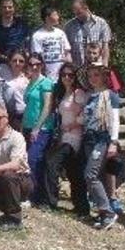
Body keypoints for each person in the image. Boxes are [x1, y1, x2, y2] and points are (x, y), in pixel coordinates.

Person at [44, 63, 89, 215]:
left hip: (75, 137)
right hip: (65, 137)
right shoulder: (64, 93)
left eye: (70, 75)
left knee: (51, 162)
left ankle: (51, 201)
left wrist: (73, 124)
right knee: (74, 172)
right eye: (64, 75)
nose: (67, 78)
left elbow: (87, 114)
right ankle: (82, 207)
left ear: (75, 77)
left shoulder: (79, 93)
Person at [81, 62, 121, 230]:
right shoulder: (91, 96)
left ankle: (108, 211)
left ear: (104, 76)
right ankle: (103, 212)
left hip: (101, 139)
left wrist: (113, 142)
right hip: (89, 138)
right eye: (90, 76)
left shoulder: (110, 95)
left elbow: (115, 120)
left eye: (96, 75)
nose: (92, 79)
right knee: (98, 175)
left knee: (90, 175)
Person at [22, 53, 55, 206]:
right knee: (34, 161)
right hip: (28, 126)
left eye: (37, 64)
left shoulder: (46, 83)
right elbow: (28, 107)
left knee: (33, 159)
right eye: (31, 64)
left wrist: (37, 127)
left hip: (42, 127)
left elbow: (47, 106)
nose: (34, 67)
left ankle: (33, 195)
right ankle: (40, 195)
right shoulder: (29, 83)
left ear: (42, 65)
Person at [64, 0, 112, 67]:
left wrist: (105, 64)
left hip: (96, 68)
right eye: (75, 13)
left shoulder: (101, 23)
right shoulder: (69, 26)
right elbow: (66, 48)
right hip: (77, 68)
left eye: (79, 13)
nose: (77, 16)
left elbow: (105, 46)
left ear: (86, 8)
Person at [0, 0, 31, 64]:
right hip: (2, 64)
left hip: (20, 64)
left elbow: (27, 46)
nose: (7, 10)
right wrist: (5, 58)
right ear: (0, 8)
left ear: (14, 8)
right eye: (4, 7)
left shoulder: (22, 24)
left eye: (10, 7)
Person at [30, 5, 71, 81]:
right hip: (46, 75)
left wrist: (68, 59)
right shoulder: (37, 35)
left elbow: (67, 51)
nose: (58, 17)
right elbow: (36, 56)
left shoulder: (60, 33)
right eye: (55, 15)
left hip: (63, 75)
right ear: (47, 18)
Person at [3, 50, 29, 130]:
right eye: (14, 61)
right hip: (6, 113)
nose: (17, 63)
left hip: (23, 114)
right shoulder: (3, 71)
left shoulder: (28, 78)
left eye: (21, 61)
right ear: (10, 62)